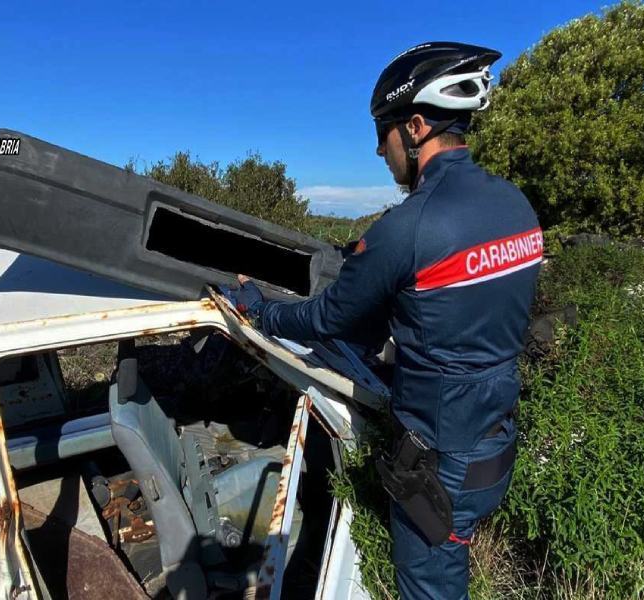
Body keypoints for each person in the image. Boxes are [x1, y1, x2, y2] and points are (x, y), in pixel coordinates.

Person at [226, 41, 542, 599]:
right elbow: (458, 308)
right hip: (496, 440)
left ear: (415, 127)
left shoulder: (410, 226)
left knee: (430, 585)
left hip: (439, 462)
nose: (379, 150)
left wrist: (260, 311)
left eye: (383, 132)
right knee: (455, 559)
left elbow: (328, 317)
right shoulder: (515, 205)